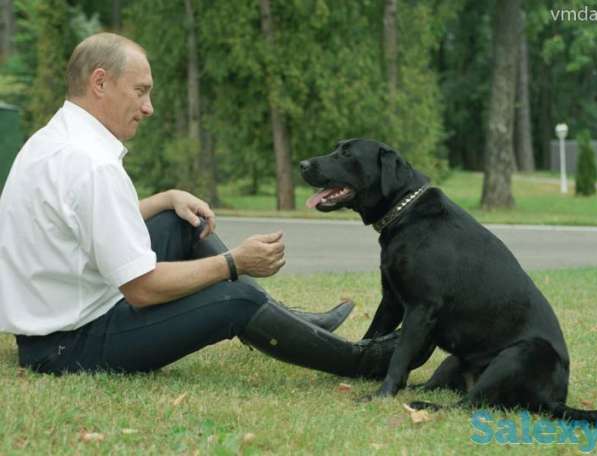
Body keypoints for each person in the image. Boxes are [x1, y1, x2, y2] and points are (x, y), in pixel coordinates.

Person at [0, 32, 398, 378]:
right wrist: (234, 263)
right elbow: (141, 289)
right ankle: (364, 361)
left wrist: (166, 198)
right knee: (236, 299)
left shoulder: (53, 139)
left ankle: (288, 320)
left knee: (179, 221)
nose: (148, 107)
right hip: (67, 347)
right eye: (140, 91)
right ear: (100, 82)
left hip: (49, 328)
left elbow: (82, 225)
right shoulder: (91, 163)